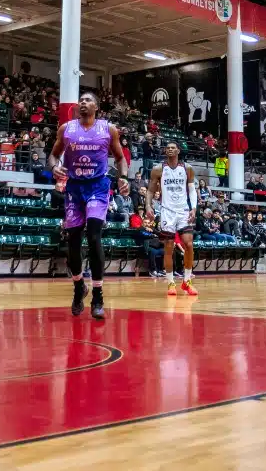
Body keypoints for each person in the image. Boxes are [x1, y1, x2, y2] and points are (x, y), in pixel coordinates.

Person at [49, 91, 128, 319]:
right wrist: (54, 167)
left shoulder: (108, 129)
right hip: (74, 187)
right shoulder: (66, 129)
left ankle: (98, 295)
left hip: (98, 187)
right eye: (81, 100)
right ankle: (78, 288)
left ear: (96, 107)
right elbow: (52, 156)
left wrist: (123, 178)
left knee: (94, 237)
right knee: (73, 239)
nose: (83, 102)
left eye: (88, 100)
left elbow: (120, 158)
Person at [147, 141, 197, 297]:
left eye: (173, 148)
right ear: (165, 151)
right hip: (167, 211)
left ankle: (187, 281)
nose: (170, 149)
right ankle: (170, 283)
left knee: (189, 244)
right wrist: (148, 206)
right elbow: (150, 190)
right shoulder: (158, 169)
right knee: (168, 247)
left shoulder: (187, 168)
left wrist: (194, 208)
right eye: (168, 148)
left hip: (183, 210)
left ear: (178, 151)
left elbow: (192, 190)